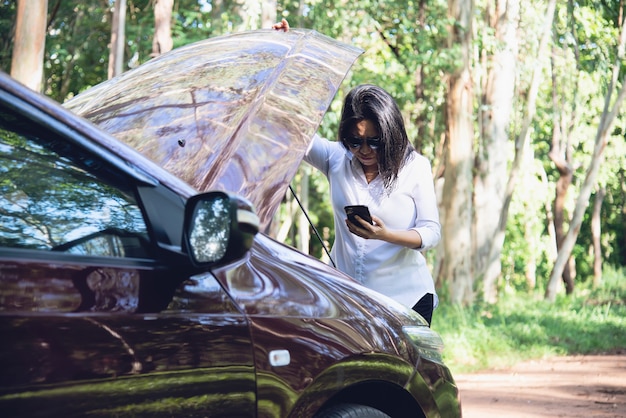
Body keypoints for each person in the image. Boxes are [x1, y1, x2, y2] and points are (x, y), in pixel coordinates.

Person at [272, 20, 441, 326]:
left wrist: (385, 235)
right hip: (349, 301)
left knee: (404, 376)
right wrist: (284, 57)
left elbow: (431, 233)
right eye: (355, 140)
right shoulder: (336, 158)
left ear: (390, 134)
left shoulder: (415, 167)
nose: (364, 150)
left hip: (407, 300)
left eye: (374, 141)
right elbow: (293, 122)